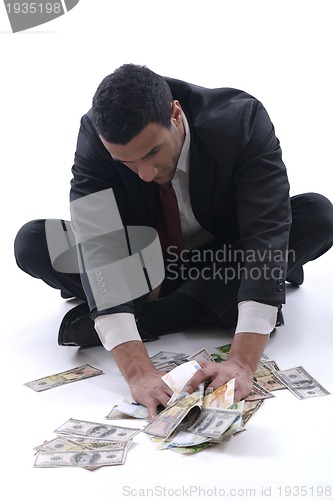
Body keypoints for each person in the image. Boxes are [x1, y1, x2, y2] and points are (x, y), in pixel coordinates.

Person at [14, 64, 333, 418]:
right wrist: (137, 371)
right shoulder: (95, 136)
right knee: (33, 242)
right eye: (127, 163)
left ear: (176, 114)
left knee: (318, 215)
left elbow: (266, 233)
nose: (146, 174)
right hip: (143, 262)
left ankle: (152, 316)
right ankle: (207, 301)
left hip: (223, 253)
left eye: (152, 152)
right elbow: (99, 243)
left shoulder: (241, 120)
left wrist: (242, 362)